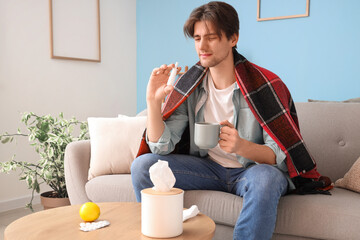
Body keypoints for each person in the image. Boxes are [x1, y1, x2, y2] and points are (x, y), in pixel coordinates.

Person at [131, 1, 327, 239]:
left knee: (266, 179)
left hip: (251, 172)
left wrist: (241, 146)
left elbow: (281, 156)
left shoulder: (265, 85)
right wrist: (152, 101)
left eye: (211, 37)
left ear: (233, 38)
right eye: (196, 38)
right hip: (207, 168)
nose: (202, 46)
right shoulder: (189, 86)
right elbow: (162, 147)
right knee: (143, 166)